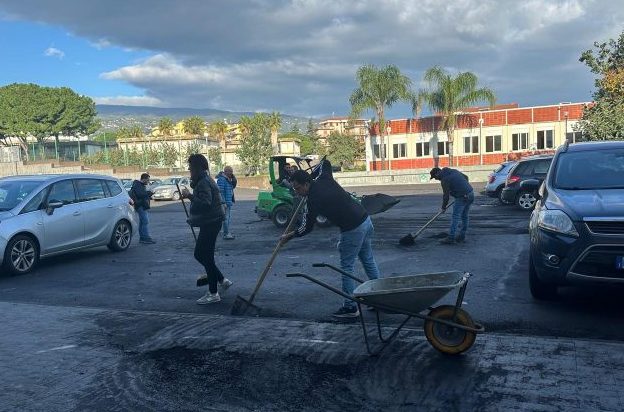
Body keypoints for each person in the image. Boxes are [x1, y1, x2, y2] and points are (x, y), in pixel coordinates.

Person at [281, 160, 381, 318]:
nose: (297, 192)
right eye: (295, 189)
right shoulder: (324, 178)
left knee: (346, 267)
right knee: (367, 259)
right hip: (365, 220)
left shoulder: (312, 201)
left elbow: (306, 227)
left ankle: (350, 307)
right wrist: (312, 174)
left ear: (306, 184)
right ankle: (380, 299)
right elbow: (325, 163)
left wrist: (289, 235)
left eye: (298, 188)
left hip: (353, 229)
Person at [181, 154, 233, 304]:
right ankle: (222, 280)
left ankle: (213, 292)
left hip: (211, 222)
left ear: (198, 168)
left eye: (191, 166)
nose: (189, 169)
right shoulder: (204, 179)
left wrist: (189, 196)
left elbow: (205, 203)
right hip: (211, 221)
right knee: (202, 255)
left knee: (204, 256)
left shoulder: (203, 182)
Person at [429, 167, 475, 244]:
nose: (436, 179)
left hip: (462, 197)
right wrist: (463, 188)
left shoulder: (444, 180)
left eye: (435, 177)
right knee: (464, 216)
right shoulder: (453, 171)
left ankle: (451, 237)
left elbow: (446, 196)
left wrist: (443, 207)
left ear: (437, 173)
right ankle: (462, 236)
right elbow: (466, 177)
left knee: (455, 216)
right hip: (470, 193)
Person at [130, 173, 155, 244]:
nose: (148, 181)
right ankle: (145, 238)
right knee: (145, 221)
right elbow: (141, 194)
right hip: (140, 205)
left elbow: (142, 194)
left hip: (141, 205)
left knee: (142, 222)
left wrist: (148, 194)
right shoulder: (138, 185)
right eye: (147, 180)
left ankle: (143, 238)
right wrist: (149, 193)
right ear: (143, 179)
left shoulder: (139, 185)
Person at [216, 165, 236, 240]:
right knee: (225, 218)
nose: (231, 173)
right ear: (226, 171)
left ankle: (226, 232)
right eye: (230, 171)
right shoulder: (222, 179)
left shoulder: (227, 179)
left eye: (232, 172)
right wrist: (223, 202)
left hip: (228, 202)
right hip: (225, 203)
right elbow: (220, 192)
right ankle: (226, 233)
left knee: (226, 218)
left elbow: (232, 187)